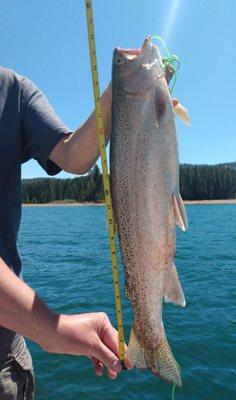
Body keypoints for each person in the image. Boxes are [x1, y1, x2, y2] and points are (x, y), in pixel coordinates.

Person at [0, 66, 131, 400]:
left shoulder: (13, 89)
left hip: (7, 354)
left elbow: (74, 155)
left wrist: (121, 92)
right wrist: (53, 330)